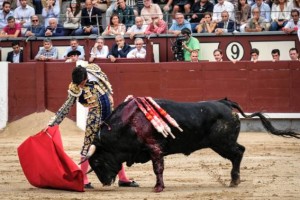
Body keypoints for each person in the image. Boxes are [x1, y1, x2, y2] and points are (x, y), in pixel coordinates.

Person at [47, 63, 139, 188]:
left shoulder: (95, 72)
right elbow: (66, 107)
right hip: (94, 119)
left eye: (81, 83)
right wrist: (53, 123)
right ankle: (84, 179)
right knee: (88, 146)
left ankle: (123, 178)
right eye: (78, 84)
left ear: (85, 78)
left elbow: (106, 89)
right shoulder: (75, 88)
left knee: (114, 147)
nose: (79, 86)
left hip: (109, 117)